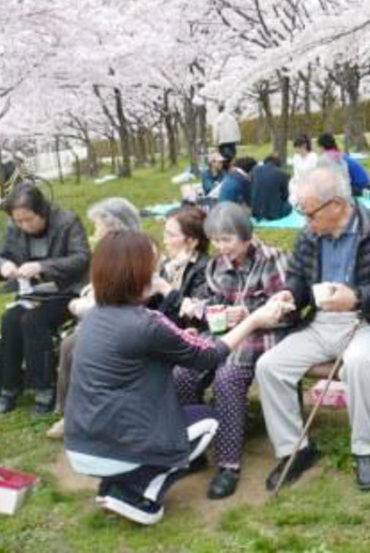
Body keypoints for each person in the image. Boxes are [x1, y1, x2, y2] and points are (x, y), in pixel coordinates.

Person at [64, 231, 286, 525]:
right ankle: (144, 495)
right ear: (136, 274)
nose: (155, 274)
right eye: (151, 268)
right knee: (208, 419)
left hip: (81, 445)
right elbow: (210, 355)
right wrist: (253, 320)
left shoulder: (93, 316)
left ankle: (115, 483)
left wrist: (178, 338)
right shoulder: (147, 324)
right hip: (118, 447)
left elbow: (143, 349)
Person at [255, 165, 370, 492]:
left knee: (357, 362)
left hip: (368, 321)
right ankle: (294, 450)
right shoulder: (310, 234)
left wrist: (356, 297)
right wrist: (288, 295)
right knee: (269, 366)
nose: (305, 220)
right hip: (322, 323)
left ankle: (367, 449)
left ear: (337, 205)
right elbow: (298, 279)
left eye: (308, 212)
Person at [174, 202, 288, 499]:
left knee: (227, 378)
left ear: (246, 236)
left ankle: (228, 465)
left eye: (227, 240)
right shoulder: (216, 265)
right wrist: (206, 308)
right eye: (215, 240)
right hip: (222, 332)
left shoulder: (271, 260)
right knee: (183, 372)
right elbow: (207, 301)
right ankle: (194, 448)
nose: (220, 247)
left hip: (263, 333)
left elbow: (288, 309)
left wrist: (249, 313)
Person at [47, 197, 141, 439]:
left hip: (123, 324)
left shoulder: (131, 255)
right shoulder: (109, 252)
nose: (95, 231)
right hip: (106, 320)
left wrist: (80, 306)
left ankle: (85, 417)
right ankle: (70, 414)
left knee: (78, 347)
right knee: (70, 344)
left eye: (98, 225)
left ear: (113, 226)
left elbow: (119, 301)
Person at [0, 183, 91, 414]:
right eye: (18, 221)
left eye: (28, 219)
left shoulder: (67, 221)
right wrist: (3, 266)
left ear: (42, 211)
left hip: (67, 291)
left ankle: (43, 387)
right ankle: (9, 386)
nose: (23, 226)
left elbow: (81, 258)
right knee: (9, 319)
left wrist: (42, 265)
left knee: (33, 320)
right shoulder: (14, 226)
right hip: (33, 292)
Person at [150, 205, 211, 328]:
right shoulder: (168, 265)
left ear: (192, 241)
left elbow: (195, 314)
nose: (164, 241)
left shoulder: (206, 269)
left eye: (171, 235)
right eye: (165, 234)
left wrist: (166, 289)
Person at [316, 132, 370, 197]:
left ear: (322, 147)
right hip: (364, 184)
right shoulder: (337, 154)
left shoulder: (328, 158)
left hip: (361, 187)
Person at [250, 155, 292, 221]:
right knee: (289, 207)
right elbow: (285, 196)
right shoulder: (282, 174)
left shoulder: (254, 170)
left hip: (255, 211)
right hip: (274, 213)